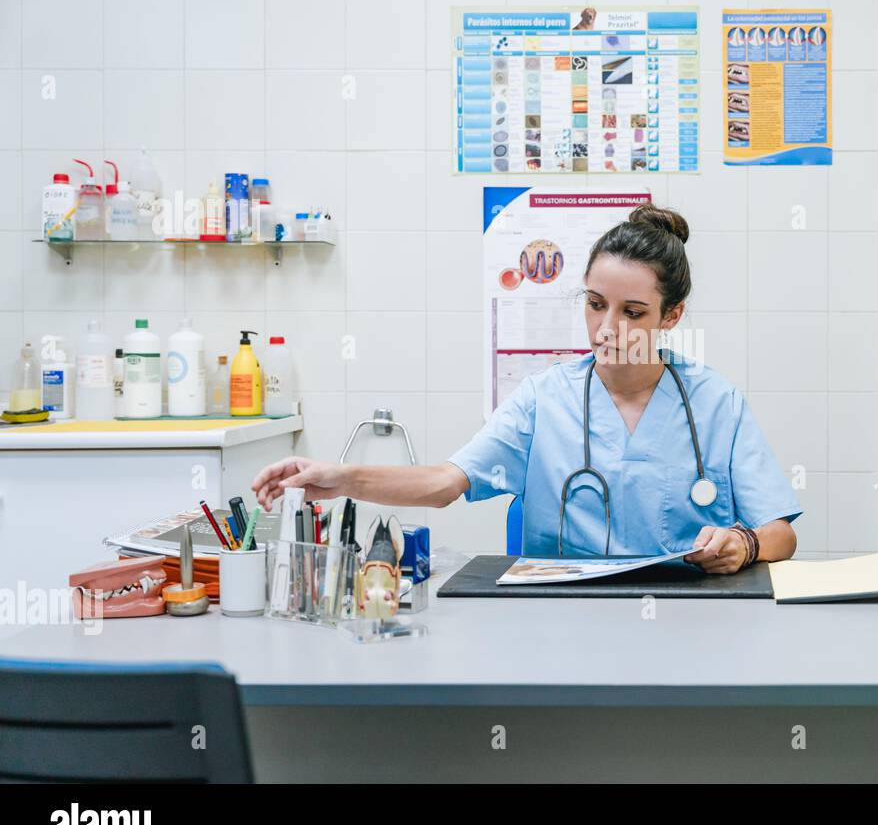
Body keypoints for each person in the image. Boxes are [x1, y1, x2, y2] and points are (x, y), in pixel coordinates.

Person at [253, 204, 800, 574]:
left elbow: (780, 531)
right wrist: (341, 477)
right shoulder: (546, 400)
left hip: (690, 623)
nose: (607, 328)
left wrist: (745, 545)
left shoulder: (716, 403)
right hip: (562, 625)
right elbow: (446, 482)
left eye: (633, 312)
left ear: (672, 315)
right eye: (594, 304)